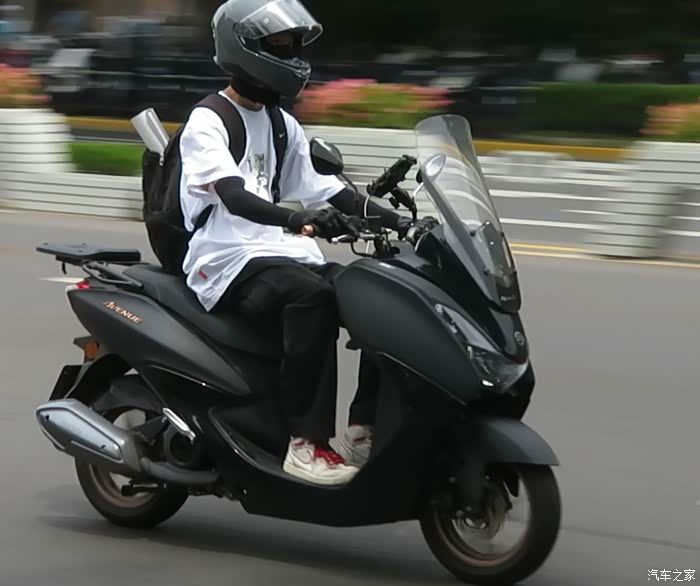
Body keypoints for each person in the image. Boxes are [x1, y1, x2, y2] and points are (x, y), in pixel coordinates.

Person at [179, 0, 437, 486]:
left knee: (380, 294)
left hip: (278, 252)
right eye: (281, 45)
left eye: (295, 45)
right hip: (226, 259)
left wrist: (406, 224)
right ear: (243, 48)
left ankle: (363, 429)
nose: (293, 56)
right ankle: (305, 444)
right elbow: (233, 196)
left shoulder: (282, 124)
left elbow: (333, 192)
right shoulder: (209, 119)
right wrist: (297, 219)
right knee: (311, 297)